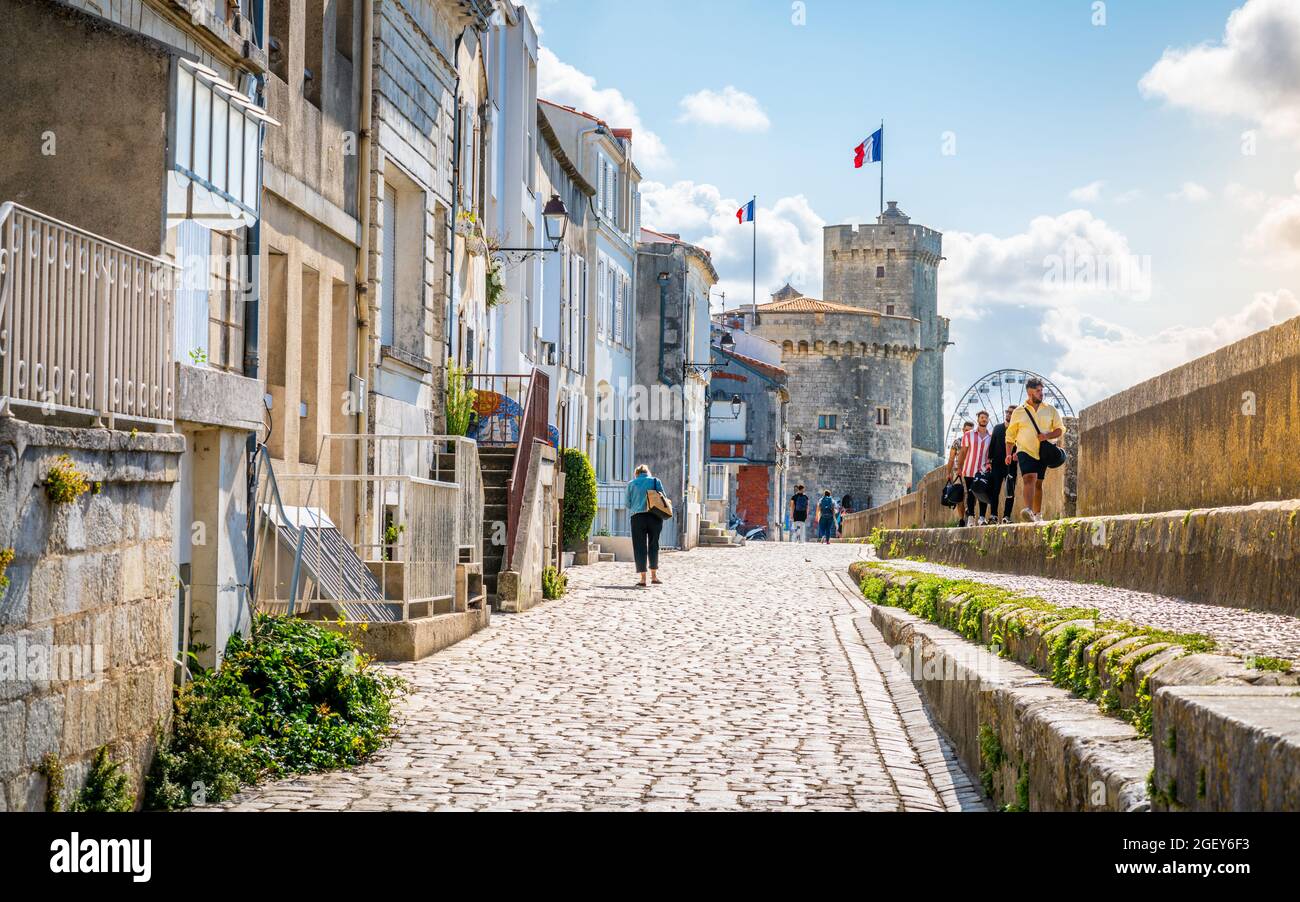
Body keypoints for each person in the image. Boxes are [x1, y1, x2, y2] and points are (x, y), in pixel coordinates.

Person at [1005, 378, 1065, 523]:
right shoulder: (1019, 412)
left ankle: (1037, 514)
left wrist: (1047, 436)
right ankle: (1028, 510)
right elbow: (1010, 435)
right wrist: (1008, 453)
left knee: (1038, 482)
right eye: (1038, 391)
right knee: (1029, 477)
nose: (1041, 393)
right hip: (1024, 450)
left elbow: (1060, 429)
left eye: (1042, 390)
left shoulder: (1050, 409)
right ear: (1029, 392)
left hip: (1043, 452)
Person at [625, 464, 666, 588]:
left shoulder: (631, 484)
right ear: (647, 472)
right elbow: (663, 498)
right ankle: (654, 576)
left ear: (636, 473)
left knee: (639, 547)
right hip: (654, 516)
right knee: (654, 545)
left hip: (637, 518)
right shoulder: (655, 481)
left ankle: (643, 579)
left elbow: (627, 503)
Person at [957, 411, 993, 526]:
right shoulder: (969, 435)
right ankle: (971, 517)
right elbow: (963, 452)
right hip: (969, 469)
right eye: (982, 417)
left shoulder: (990, 437)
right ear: (978, 420)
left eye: (986, 418)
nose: (984, 419)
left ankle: (982, 518)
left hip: (983, 470)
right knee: (971, 493)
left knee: (983, 492)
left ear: (988, 420)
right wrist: (959, 468)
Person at [988, 405, 1019, 524]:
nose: (1009, 414)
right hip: (996, 465)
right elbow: (992, 446)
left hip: (1011, 466)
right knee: (994, 491)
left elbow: (1021, 445)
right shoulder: (997, 428)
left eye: (1011, 412)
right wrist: (989, 461)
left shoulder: (1018, 430)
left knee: (1010, 492)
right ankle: (993, 515)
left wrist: (1017, 454)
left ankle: (1007, 516)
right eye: (1008, 412)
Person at [946, 421, 974, 526]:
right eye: (967, 430)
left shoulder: (974, 443)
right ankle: (961, 519)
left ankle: (970, 514)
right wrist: (949, 473)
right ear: (963, 430)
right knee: (959, 496)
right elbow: (951, 459)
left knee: (970, 495)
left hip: (970, 471)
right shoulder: (957, 442)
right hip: (957, 472)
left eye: (970, 431)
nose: (968, 433)